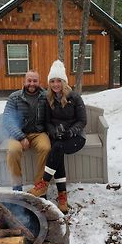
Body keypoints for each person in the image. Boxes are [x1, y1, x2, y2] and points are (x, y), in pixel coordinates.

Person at [28, 60, 87, 213]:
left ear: (64, 81)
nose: (55, 84)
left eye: (58, 81)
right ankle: (62, 196)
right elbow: (47, 122)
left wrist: (70, 132)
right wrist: (54, 131)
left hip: (75, 137)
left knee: (57, 148)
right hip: (57, 137)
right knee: (57, 149)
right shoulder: (48, 99)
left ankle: (44, 183)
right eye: (52, 81)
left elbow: (82, 121)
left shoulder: (74, 97)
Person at [2, 70, 51, 191]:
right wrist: (21, 137)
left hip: (38, 133)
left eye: (35, 81)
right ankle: (17, 184)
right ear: (24, 81)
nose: (32, 83)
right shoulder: (14, 97)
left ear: (39, 82)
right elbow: (7, 119)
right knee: (13, 150)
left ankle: (39, 184)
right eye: (29, 80)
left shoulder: (45, 96)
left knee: (46, 148)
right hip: (18, 133)